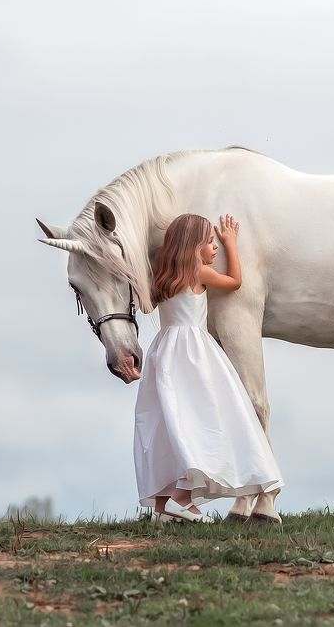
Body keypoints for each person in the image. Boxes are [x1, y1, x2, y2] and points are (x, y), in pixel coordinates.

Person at [133, 213, 284, 523]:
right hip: (193, 352)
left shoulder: (161, 277)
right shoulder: (200, 273)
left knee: (169, 424)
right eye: (210, 241)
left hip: (164, 352)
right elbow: (235, 282)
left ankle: (164, 507)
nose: (214, 246)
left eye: (217, 242)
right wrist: (232, 244)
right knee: (203, 420)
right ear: (194, 246)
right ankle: (181, 499)